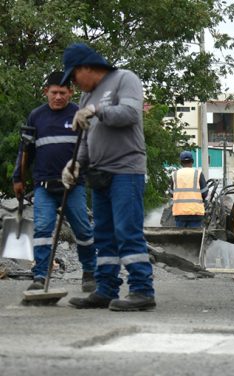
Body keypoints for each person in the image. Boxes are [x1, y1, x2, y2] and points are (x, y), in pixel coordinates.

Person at [60, 43, 155, 311]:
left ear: (86, 68)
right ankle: (105, 289)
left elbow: (130, 114)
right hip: (99, 174)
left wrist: (97, 111)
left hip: (126, 169)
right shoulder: (86, 98)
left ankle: (142, 290)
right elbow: (88, 139)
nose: (75, 84)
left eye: (74, 76)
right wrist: (75, 164)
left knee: (127, 231)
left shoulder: (125, 79)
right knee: (103, 235)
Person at [12, 71, 97, 293]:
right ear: (46, 92)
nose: (58, 97)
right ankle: (39, 276)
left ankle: (89, 273)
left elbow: (91, 148)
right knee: (42, 231)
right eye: (54, 93)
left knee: (83, 231)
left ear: (71, 92)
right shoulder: (36, 116)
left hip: (74, 187)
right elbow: (25, 150)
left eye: (62, 93)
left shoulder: (79, 114)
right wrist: (18, 178)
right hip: (44, 187)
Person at [170, 151, 208, 228]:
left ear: (181, 162)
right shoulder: (198, 173)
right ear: (192, 161)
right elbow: (204, 193)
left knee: (180, 237)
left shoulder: (174, 174)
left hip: (179, 213)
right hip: (195, 213)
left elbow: (171, 193)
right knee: (194, 238)